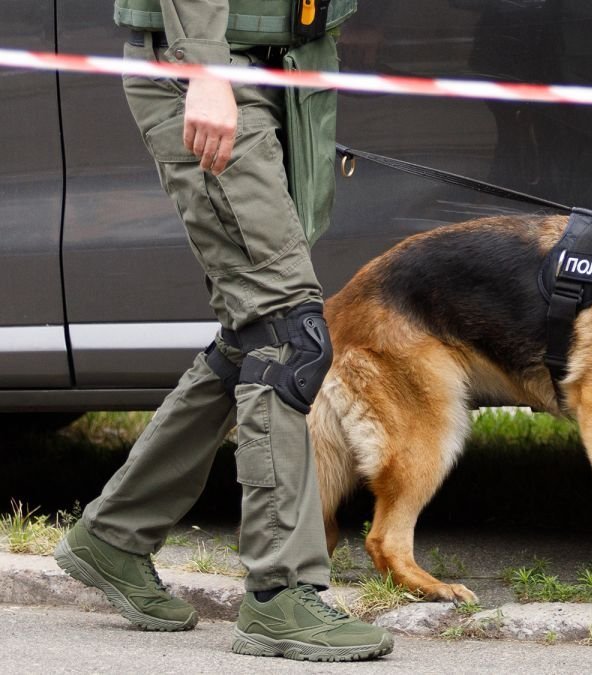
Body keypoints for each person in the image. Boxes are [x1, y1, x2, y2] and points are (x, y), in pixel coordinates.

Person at [53, 0, 394, 662]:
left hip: (285, 69)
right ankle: (280, 592)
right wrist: (205, 70)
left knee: (254, 333)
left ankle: (116, 534)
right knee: (288, 333)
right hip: (211, 69)